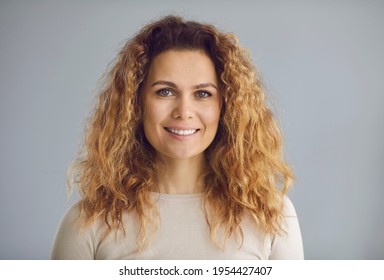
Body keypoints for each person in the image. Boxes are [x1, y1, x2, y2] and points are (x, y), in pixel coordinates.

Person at [51, 15, 304, 260]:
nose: (183, 112)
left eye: (203, 94)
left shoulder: (272, 215)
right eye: (165, 91)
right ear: (135, 103)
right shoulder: (86, 224)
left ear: (226, 106)